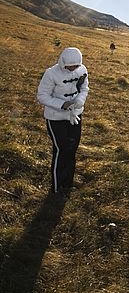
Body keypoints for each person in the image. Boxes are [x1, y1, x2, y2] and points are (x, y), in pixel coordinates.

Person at [37, 47, 89, 196]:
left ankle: (68, 184)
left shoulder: (82, 69)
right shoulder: (51, 73)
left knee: (72, 149)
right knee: (61, 149)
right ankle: (56, 187)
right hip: (56, 118)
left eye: (76, 66)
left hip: (75, 115)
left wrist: (79, 100)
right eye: (70, 66)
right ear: (63, 62)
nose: (73, 68)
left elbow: (84, 88)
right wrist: (62, 105)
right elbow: (42, 96)